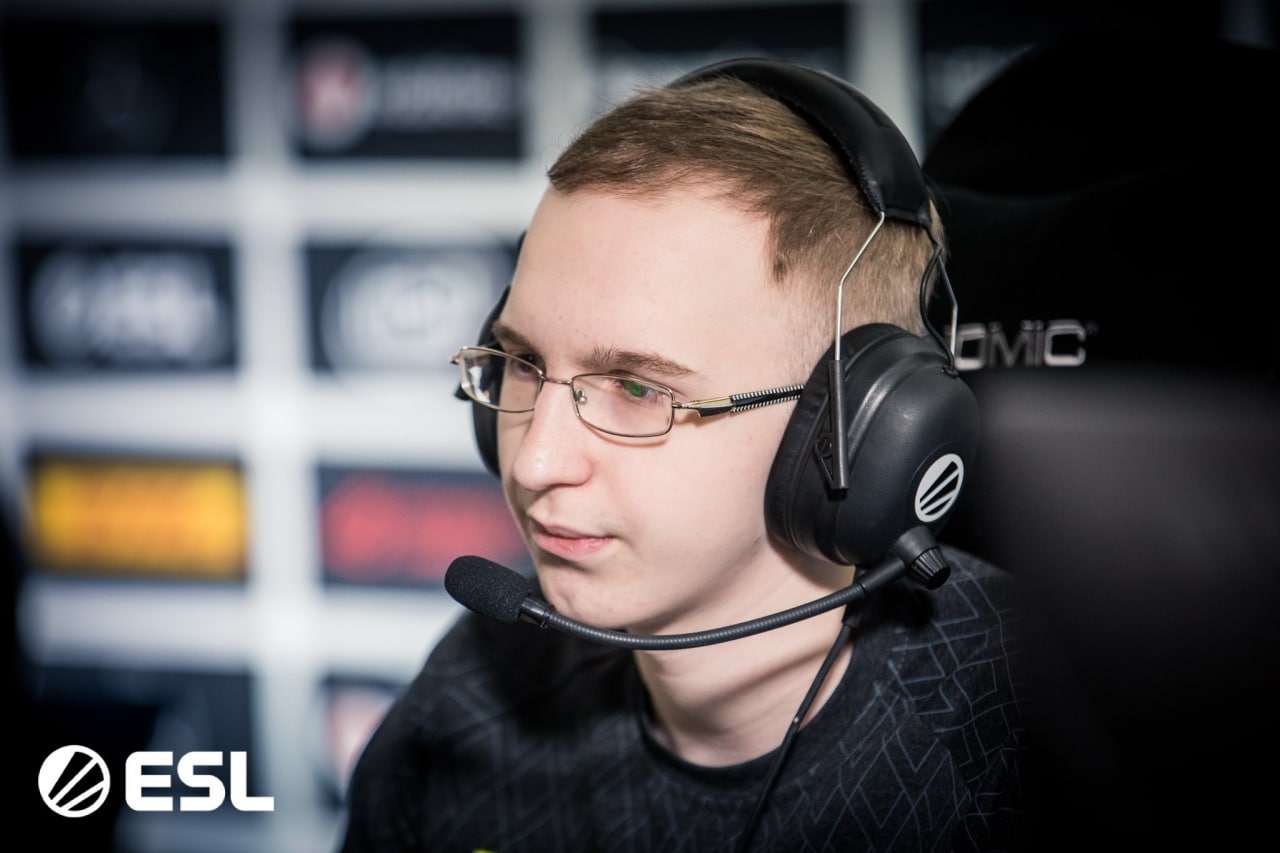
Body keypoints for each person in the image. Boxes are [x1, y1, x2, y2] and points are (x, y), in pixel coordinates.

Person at [339, 57, 1031, 853]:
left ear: (851, 427)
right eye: (523, 361)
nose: (534, 463)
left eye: (637, 387)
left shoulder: (1040, 733)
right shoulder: (473, 696)